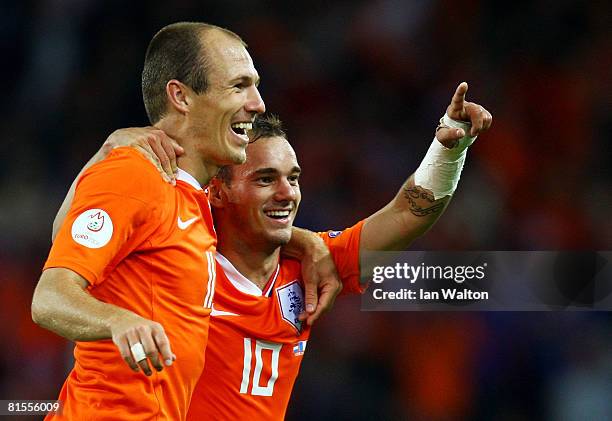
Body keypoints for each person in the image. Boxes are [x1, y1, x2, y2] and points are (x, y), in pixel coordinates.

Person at [68, 81, 488, 419]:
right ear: (217, 192)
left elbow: (407, 214)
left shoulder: (312, 265)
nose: (287, 192)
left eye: (294, 177)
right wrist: (111, 149)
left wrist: (448, 150)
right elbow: (73, 237)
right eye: (266, 179)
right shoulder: (168, 260)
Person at [31, 22, 339, 421]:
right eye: (238, 86)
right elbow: (48, 297)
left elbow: (67, 234)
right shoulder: (137, 175)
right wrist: (119, 321)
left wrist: (301, 239)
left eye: (255, 85)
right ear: (181, 96)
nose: (258, 103)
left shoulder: (191, 198)